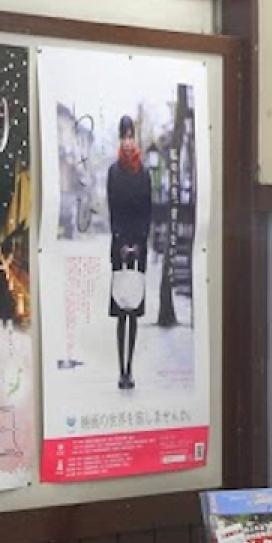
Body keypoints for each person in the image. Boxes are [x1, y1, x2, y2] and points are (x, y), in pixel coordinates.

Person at [107, 113, 154, 390]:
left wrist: (138, 243)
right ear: (119, 139)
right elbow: (114, 211)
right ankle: (119, 369)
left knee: (134, 310)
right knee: (120, 308)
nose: (127, 142)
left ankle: (130, 368)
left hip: (140, 246)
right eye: (123, 136)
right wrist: (121, 243)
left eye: (130, 136)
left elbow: (148, 212)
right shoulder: (113, 172)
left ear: (135, 138)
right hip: (118, 245)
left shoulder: (145, 173)